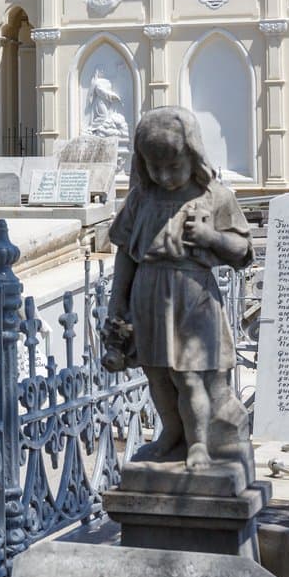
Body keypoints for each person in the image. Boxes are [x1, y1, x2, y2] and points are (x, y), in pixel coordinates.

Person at [103, 106, 253, 472]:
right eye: (155, 168)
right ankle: (171, 431)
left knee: (188, 375)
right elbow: (125, 252)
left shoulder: (214, 196)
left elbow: (242, 250)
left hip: (192, 295)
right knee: (156, 372)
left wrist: (211, 236)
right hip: (149, 292)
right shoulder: (142, 198)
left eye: (173, 166)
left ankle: (199, 441)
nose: (164, 176)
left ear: (193, 155)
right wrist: (117, 301)